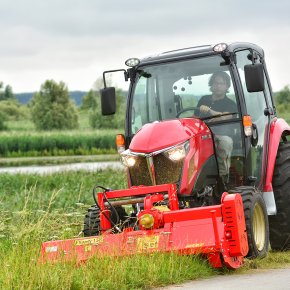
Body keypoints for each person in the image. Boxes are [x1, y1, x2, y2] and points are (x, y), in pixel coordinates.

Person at [197, 71, 237, 185]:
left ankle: (223, 179)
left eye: (221, 83)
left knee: (225, 143)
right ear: (211, 85)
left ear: (227, 86)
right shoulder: (203, 99)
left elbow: (225, 117)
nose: (218, 86)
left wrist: (209, 111)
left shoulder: (230, 103)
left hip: (222, 135)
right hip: (203, 135)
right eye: (215, 83)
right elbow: (196, 116)